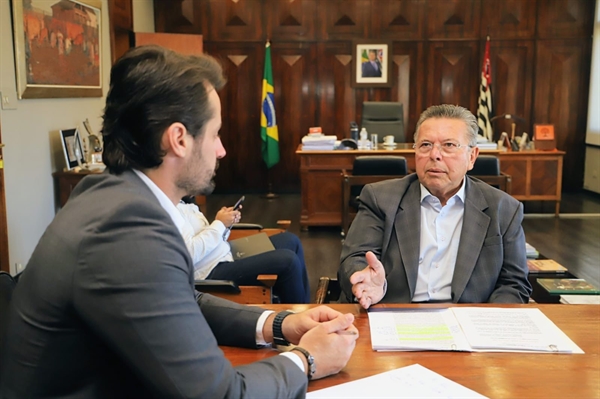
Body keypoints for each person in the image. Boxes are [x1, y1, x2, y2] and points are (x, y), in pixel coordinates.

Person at [0, 45, 358, 398]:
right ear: (179, 139)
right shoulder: (126, 229)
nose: (221, 150)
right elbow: (219, 394)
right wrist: (308, 360)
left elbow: (183, 300)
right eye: (216, 134)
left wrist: (279, 323)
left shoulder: (107, 192)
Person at [339, 104, 532, 308]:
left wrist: (484, 321)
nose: (435, 155)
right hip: (395, 313)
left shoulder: (504, 209)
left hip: (468, 320)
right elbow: (355, 258)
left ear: (472, 157)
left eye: (449, 145)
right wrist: (365, 282)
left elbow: (514, 283)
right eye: (425, 145)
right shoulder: (380, 199)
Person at [178, 198, 311, 303]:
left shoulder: (185, 203)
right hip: (210, 271)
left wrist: (226, 224)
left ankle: (306, 308)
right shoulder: (171, 210)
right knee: (288, 261)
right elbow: (189, 255)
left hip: (227, 251)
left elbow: (210, 237)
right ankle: (301, 324)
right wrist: (219, 223)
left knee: (290, 240)